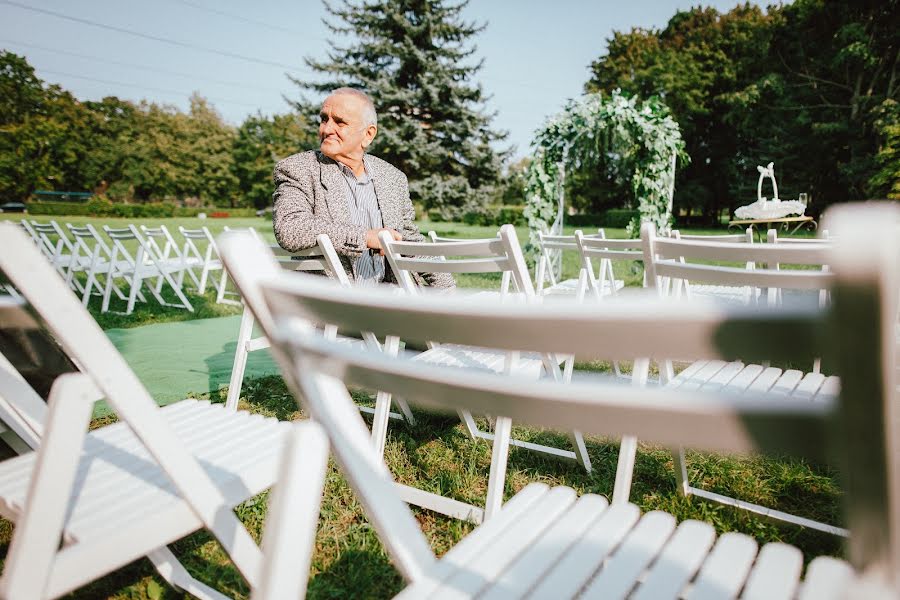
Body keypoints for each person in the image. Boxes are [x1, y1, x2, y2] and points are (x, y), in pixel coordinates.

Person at [272, 87, 455, 289]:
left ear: (368, 135)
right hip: (330, 309)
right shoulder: (298, 169)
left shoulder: (393, 178)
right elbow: (290, 228)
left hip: (390, 301)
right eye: (324, 119)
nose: (326, 129)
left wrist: (448, 291)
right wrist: (364, 237)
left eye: (339, 122)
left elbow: (410, 242)